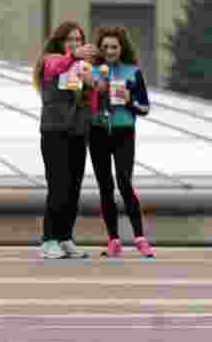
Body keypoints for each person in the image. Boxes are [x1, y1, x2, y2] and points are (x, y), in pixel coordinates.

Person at [33, 21, 99, 259]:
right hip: (54, 132)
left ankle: (65, 237)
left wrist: (92, 87)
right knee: (58, 186)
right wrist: (73, 56)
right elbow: (57, 67)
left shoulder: (83, 67)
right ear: (60, 42)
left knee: (73, 188)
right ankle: (49, 239)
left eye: (79, 40)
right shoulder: (51, 60)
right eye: (70, 39)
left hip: (77, 133)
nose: (75, 44)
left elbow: (89, 104)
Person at [88, 25, 155, 258]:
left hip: (124, 131)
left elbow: (144, 107)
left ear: (121, 48)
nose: (109, 50)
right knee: (105, 186)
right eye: (105, 47)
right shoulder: (91, 71)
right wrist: (93, 90)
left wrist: (128, 100)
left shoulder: (133, 72)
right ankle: (113, 240)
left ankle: (140, 238)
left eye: (114, 47)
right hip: (97, 132)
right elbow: (80, 103)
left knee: (124, 181)